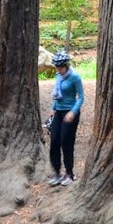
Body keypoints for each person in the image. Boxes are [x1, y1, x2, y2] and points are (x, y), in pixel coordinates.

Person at [46, 49, 84, 186]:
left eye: (61, 67)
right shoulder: (58, 76)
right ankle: (57, 172)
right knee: (54, 142)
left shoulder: (75, 77)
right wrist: (53, 109)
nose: (59, 70)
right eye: (57, 67)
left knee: (66, 142)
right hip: (59, 112)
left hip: (70, 112)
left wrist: (73, 112)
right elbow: (56, 95)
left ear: (66, 66)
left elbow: (81, 98)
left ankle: (69, 173)